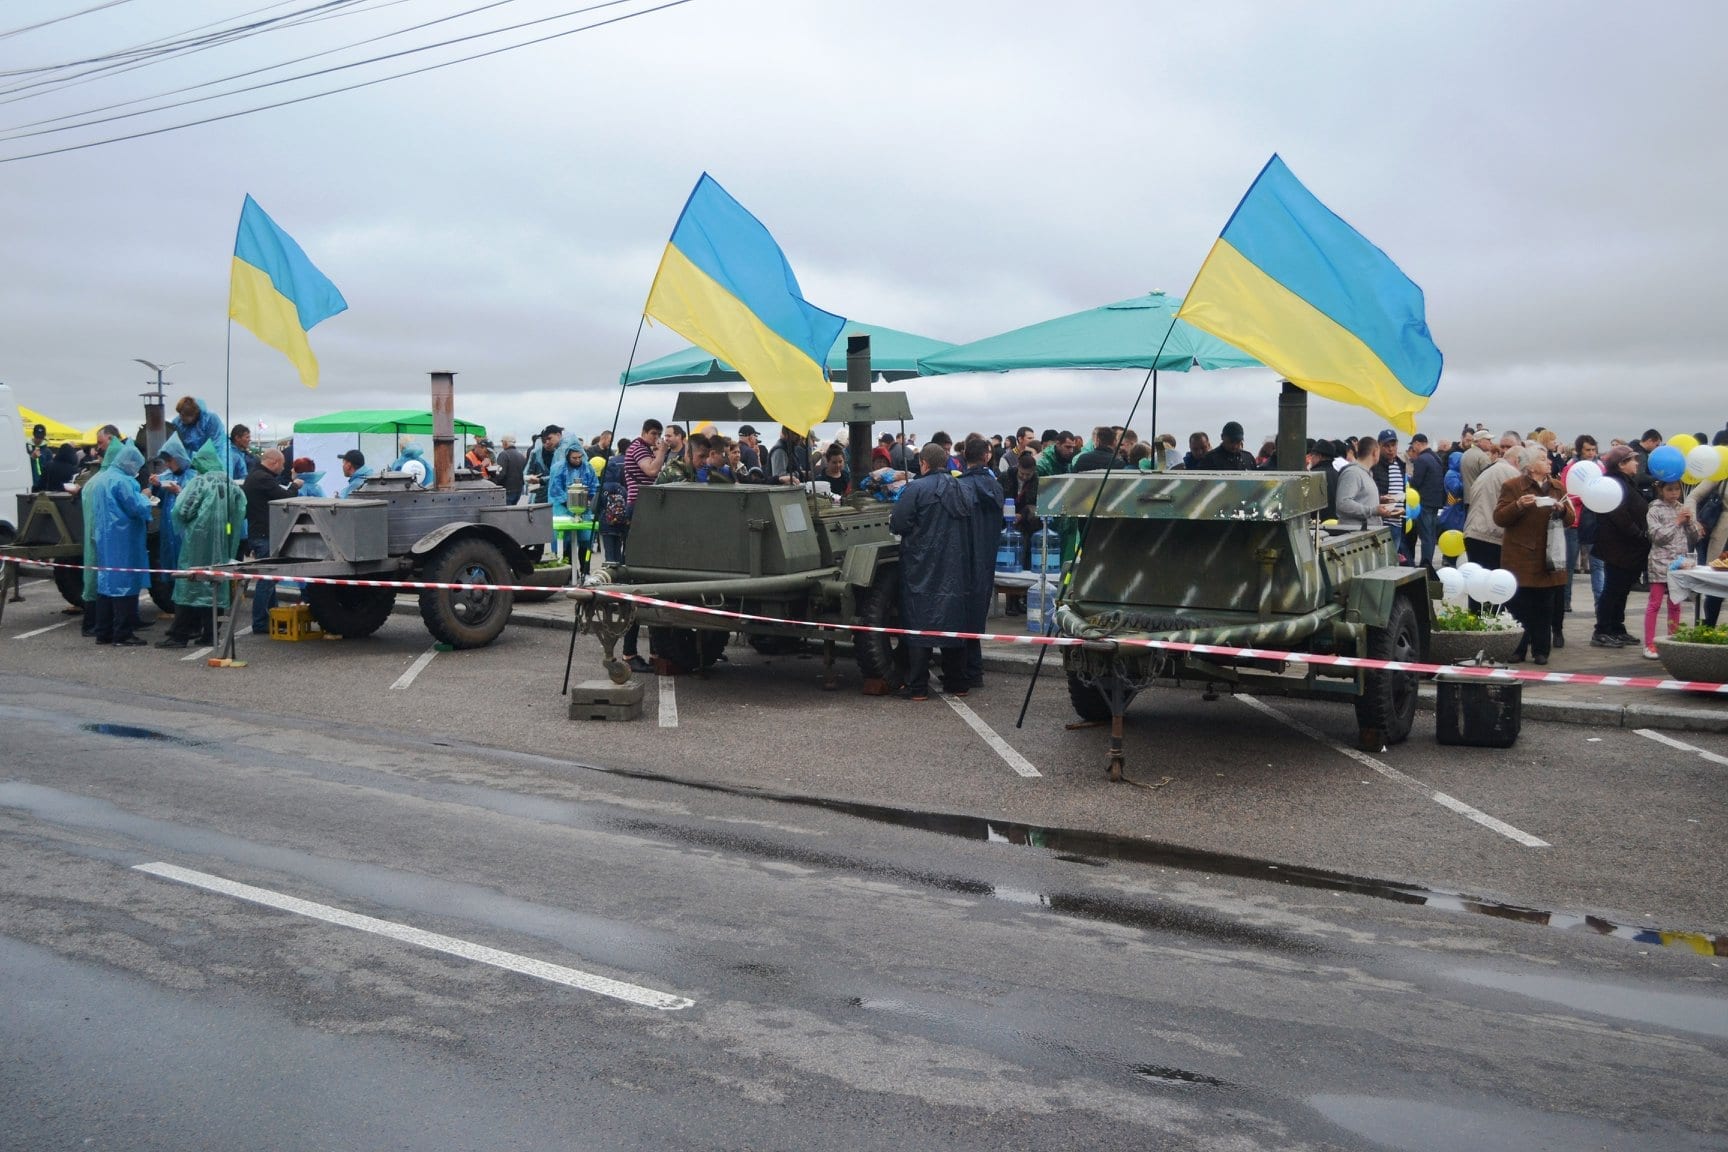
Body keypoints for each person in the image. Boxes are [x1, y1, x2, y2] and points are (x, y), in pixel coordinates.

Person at [889, 443, 975, 701]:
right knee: (954, 622)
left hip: (922, 565)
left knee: (919, 623)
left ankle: (917, 688)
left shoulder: (915, 489)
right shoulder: (964, 488)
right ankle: (957, 681)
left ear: (924, 463)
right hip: (956, 567)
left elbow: (899, 523)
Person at [157, 440, 248, 649]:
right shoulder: (230, 483)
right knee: (215, 584)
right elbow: (241, 508)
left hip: (196, 542)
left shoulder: (199, 482)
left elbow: (182, 510)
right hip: (223, 541)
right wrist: (228, 531)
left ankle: (179, 635)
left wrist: (189, 523)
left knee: (189, 583)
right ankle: (210, 634)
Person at [1493, 450, 1574, 664]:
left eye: (1547, 458)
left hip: (1548, 556)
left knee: (1544, 607)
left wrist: (1562, 509)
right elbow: (1499, 517)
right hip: (1520, 555)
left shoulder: (1557, 486)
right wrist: (1519, 505)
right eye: (1541, 459)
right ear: (1529, 466)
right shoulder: (1513, 486)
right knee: (1519, 606)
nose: (1548, 462)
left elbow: (1571, 518)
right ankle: (1517, 649)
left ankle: (1541, 651)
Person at [88, 442, 153, 646]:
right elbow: (135, 507)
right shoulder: (124, 481)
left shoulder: (101, 479)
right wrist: (145, 497)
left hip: (104, 537)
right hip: (124, 538)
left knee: (106, 583)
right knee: (125, 583)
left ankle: (103, 631)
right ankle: (123, 633)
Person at [619, 422, 669, 673]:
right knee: (637, 580)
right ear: (644, 432)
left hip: (645, 510)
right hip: (638, 509)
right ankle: (629, 654)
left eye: (660, 435)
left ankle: (654, 650)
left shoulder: (644, 448)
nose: (657, 438)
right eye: (654, 434)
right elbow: (651, 471)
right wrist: (662, 451)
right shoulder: (639, 449)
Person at [955, 436, 1004, 690]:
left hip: (964, 556)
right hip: (987, 556)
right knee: (977, 614)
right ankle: (974, 670)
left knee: (961, 615)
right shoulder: (996, 487)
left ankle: (965, 671)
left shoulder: (960, 487)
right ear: (987, 456)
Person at [1590, 445, 1650, 648]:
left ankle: (1616, 627)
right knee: (1612, 590)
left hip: (1628, 549)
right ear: (1621, 464)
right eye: (1633, 460)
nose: (1637, 463)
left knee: (1622, 590)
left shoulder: (1626, 482)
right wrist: (1638, 534)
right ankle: (1602, 630)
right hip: (1618, 548)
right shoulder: (1614, 484)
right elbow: (1619, 514)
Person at [242, 448, 302, 633]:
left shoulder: (254, 475)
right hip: (263, 535)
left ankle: (272, 618)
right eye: (282, 464)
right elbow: (284, 498)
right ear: (274, 462)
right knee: (266, 581)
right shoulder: (263, 478)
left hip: (258, 533)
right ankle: (260, 622)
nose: (283, 467)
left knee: (270, 578)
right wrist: (295, 486)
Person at [1643, 480, 1700, 658]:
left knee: (1675, 604)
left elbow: (1695, 537)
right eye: (1669, 489)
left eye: (1676, 489)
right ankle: (1650, 644)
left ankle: (1673, 639)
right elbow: (1657, 536)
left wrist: (1691, 523)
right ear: (1661, 490)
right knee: (1655, 603)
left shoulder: (1682, 508)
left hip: (1680, 563)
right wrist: (1676, 522)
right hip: (1660, 563)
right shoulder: (1654, 510)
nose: (1674, 493)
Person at [77, 435, 127, 634]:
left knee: (92, 578)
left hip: (92, 535)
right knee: (104, 581)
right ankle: (97, 624)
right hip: (106, 538)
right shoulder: (113, 481)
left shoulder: (92, 482)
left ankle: (91, 623)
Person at [1464, 444, 1521, 575]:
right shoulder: (1511, 473)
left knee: (1477, 584)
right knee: (1492, 585)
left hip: (1474, 531)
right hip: (1490, 534)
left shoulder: (1489, 470)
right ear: (1517, 460)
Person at [548, 441, 599, 568]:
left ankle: (585, 571)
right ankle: (568, 571)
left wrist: (588, 500)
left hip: (584, 509)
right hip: (563, 508)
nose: (577, 460)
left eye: (579, 457)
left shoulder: (588, 468)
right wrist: (569, 502)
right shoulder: (559, 468)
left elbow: (594, 485)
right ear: (567, 457)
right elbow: (555, 488)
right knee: (565, 541)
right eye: (574, 458)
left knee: (586, 540)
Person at [150, 433, 192, 577]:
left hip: (184, 532)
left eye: (169, 460)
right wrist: (155, 486)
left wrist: (178, 491)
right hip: (168, 531)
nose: (167, 464)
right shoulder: (167, 476)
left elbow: (194, 503)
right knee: (169, 566)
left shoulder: (192, 476)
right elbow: (159, 501)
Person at [1333, 436, 1388, 530]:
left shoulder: (1366, 473)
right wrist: (1373, 510)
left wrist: (1380, 500)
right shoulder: (1353, 473)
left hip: (1365, 532)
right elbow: (1343, 503)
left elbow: (1361, 498)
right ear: (1375, 452)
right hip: (1355, 534)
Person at [1406, 433, 1444, 569]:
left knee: (1426, 536)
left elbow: (1416, 482)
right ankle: (1428, 561)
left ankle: (1425, 564)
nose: (1413, 448)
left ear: (1417, 443)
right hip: (1436, 501)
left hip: (1425, 502)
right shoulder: (1436, 458)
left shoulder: (1421, 460)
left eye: (1413, 445)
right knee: (1431, 536)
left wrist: (1408, 479)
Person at [1370, 430, 1409, 558]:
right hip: (1381, 522)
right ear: (1379, 446)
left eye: (1393, 445)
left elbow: (1404, 492)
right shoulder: (1374, 466)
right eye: (1386, 446)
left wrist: (1404, 510)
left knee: (1393, 558)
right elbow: (1370, 493)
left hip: (1397, 521)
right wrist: (1381, 499)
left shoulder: (1401, 464)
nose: (1391, 449)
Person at [524, 424, 563, 500]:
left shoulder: (562, 452)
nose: (547, 442)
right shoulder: (535, 453)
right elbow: (526, 474)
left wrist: (541, 480)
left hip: (558, 497)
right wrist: (530, 478)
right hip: (539, 497)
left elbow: (560, 476)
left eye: (549, 438)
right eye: (544, 440)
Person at [495, 435, 528, 505]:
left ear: (505, 443)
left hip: (507, 490)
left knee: (504, 513)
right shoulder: (521, 456)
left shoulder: (503, 455)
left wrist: (495, 484)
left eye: (502, 442)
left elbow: (501, 473)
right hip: (518, 490)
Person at [26, 423, 48, 491]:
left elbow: (49, 467)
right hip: (29, 483)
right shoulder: (26, 447)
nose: (39, 439)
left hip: (43, 485)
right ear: (33, 434)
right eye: (37, 437)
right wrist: (31, 458)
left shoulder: (47, 451)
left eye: (41, 438)